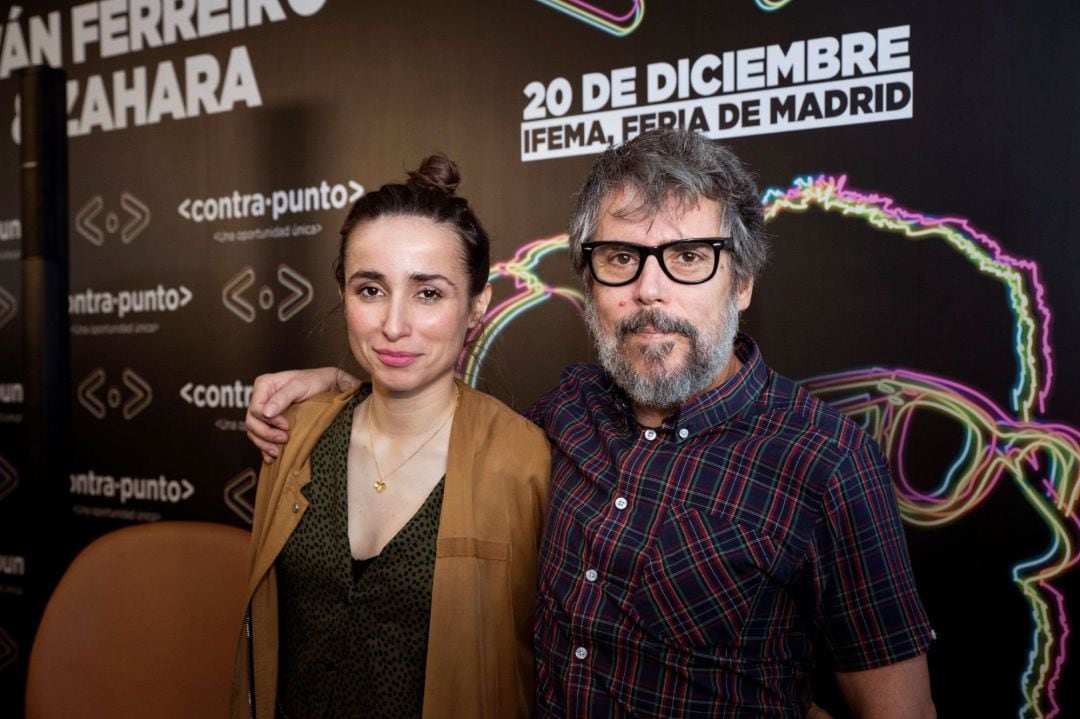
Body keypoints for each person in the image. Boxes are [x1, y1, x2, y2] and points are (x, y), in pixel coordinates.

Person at [246, 128, 935, 717]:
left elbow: (898, 709)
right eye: (619, 258)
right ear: (591, 282)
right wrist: (339, 389)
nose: (650, 290)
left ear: (744, 280)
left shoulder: (827, 462)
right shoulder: (566, 415)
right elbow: (431, 408)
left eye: (689, 256)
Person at [233, 154, 550, 719]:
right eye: (371, 290)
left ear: (476, 306)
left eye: (428, 293)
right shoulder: (293, 434)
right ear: (344, 296)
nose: (394, 325)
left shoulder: (524, 461)